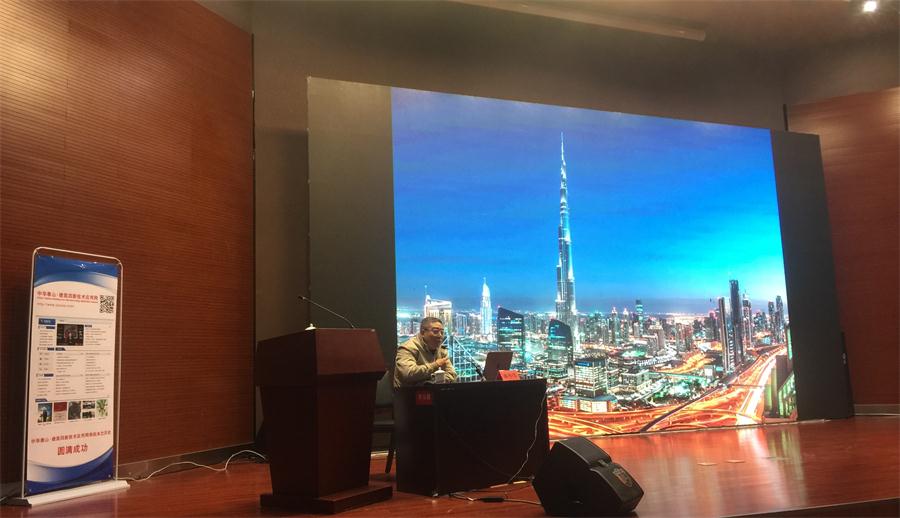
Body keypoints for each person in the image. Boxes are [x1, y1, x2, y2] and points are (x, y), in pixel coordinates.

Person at [393, 317, 458, 388]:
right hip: (408, 393)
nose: (440, 335)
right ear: (423, 332)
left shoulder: (441, 350)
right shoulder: (408, 348)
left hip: (435, 392)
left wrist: (431, 382)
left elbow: (452, 374)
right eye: (435, 331)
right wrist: (435, 365)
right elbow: (408, 374)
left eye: (442, 332)